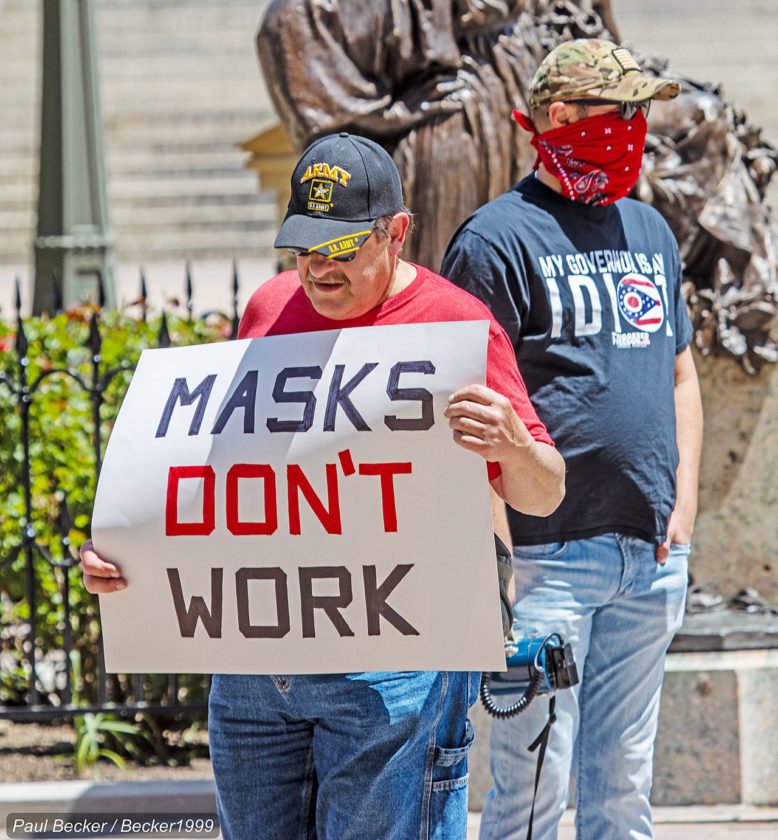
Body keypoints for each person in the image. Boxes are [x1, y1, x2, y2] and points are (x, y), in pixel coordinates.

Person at [81, 133, 565, 840]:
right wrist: (133, 557)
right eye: (304, 249)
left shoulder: (456, 323)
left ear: (395, 233)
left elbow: (545, 492)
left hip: (395, 668)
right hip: (256, 672)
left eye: (340, 248)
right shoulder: (269, 309)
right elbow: (226, 476)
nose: (318, 269)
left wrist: (514, 445)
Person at [441, 39, 704, 840]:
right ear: (561, 118)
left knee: (624, 785)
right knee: (531, 789)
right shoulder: (495, 240)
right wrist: (496, 572)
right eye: (620, 112)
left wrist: (683, 506)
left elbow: (681, 375)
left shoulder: (650, 231)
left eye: (640, 113)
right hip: (546, 558)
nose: (635, 128)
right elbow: (469, 412)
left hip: (649, 557)